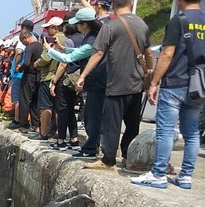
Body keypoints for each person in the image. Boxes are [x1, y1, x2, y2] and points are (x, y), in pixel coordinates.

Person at [131, 0, 205, 189]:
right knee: (192, 132)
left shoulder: (178, 21)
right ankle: (186, 176)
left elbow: (166, 54)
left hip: (175, 83)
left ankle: (158, 173)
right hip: (198, 86)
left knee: (165, 130)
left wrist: (154, 82)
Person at [77, 0, 153, 170]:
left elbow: (98, 53)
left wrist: (83, 75)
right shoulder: (142, 24)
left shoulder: (111, 26)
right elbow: (148, 53)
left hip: (116, 83)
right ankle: (129, 157)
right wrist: (149, 74)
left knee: (112, 124)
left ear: (113, 6)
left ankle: (108, 159)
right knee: (132, 123)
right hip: (136, 83)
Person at [47, 7, 105, 156]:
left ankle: (91, 148)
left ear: (84, 24)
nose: (76, 26)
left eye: (78, 23)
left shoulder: (92, 39)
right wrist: (62, 48)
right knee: (89, 115)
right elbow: (79, 52)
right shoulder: (94, 36)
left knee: (92, 117)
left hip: (96, 82)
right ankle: (91, 147)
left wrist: (50, 50)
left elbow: (68, 60)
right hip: (96, 80)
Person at [32, 16, 66, 140]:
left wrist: (36, 63)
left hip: (48, 77)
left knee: (46, 106)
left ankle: (44, 133)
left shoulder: (53, 40)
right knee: (59, 107)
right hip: (62, 79)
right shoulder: (67, 39)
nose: (47, 31)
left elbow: (46, 58)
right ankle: (58, 133)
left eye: (48, 28)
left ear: (55, 28)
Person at [16, 30, 43, 134]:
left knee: (24, 100)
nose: (24, 44)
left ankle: (24, 125)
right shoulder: (40, 46)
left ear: (25, 39)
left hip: (29, 76)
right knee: (35, 102)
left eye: (23, 42)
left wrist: (20, 68)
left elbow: (26, 62)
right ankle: (36, 125)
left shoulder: (29, 47)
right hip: (39, 76)